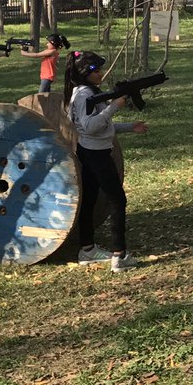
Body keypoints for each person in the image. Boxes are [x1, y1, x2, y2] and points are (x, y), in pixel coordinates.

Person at [65, 50, 148, 270]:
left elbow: (97, 127)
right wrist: (114, 106)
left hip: (91, 152)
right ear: (85, 73)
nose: (100, 74)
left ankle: (87, 249)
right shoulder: (83, 95)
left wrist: (130, 127)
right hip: (96, 156)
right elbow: (91, 126)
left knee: (90, 200)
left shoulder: (84, 92)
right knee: (117, 200)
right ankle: (119, 256)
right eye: (96, 71)